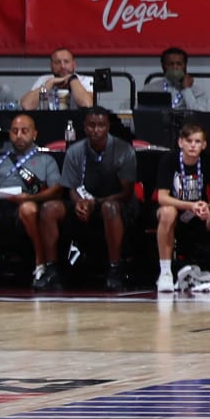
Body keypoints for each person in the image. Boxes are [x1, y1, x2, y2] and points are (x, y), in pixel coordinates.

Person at [0, 111, 65, 292]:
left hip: (27, 206)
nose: (19, 136)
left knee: (28, 208)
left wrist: (30, 198)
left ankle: (40, 264)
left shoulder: (45, 160)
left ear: (35, 134)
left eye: (24, 131)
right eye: (14, 131)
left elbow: (56, 190)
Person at [58, 106, 138, 291]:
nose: (96, 130)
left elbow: (126, 192)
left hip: (118, 204)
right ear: (84, 127)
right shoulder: (75, 151)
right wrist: (79, 203)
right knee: (50, 209)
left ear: (108, 126)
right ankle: (51, 269)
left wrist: (95, 203)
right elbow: (71, 186)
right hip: (85, 201)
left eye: (101, 125)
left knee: (109, 207)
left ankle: (115, 268)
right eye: (91, 125)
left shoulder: (124, 150)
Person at [154, 119, 210, 294]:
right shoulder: (169, 160)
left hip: (202, 216)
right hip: (178, 215)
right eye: (189, 141)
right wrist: (190, 205)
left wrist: (208, 206)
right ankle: (166, 273)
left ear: (204, 145)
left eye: (197, 142)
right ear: (180, 142)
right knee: (167, 212)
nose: (193, 146)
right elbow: (162, 197)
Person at [21, 47, 94, 110]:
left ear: (74, 64)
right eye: (57, 62)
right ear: (51, 66)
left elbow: (87, 105)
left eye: (66, 61)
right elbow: (27, 106)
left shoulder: (87, 80)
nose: (62, 66)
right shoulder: (43, 80)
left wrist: (72, 79)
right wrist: (49, 84)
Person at [148, 46, 209, 112]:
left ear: (185, 66)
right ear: (163, 66)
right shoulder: (150, 89)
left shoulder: (198, 92)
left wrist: (186, 90)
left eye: (179, 64)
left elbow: (198, 115)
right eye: (171, 64)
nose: (175, 67)